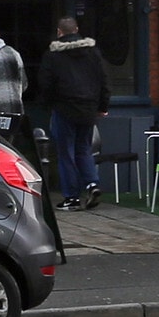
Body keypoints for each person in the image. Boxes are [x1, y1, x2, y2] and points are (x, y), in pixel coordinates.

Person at [37, 15, 108, 210]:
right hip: (88, 108)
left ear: (59, 32)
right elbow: (103, 80)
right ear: (76, 29)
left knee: (65, 153)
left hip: (64, 108)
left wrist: (46, 104)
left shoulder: (53, 55)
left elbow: (46, 83)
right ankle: (92, 184)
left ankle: (72, 197)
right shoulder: (93, 53)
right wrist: (102, 106)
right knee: (83, 148)